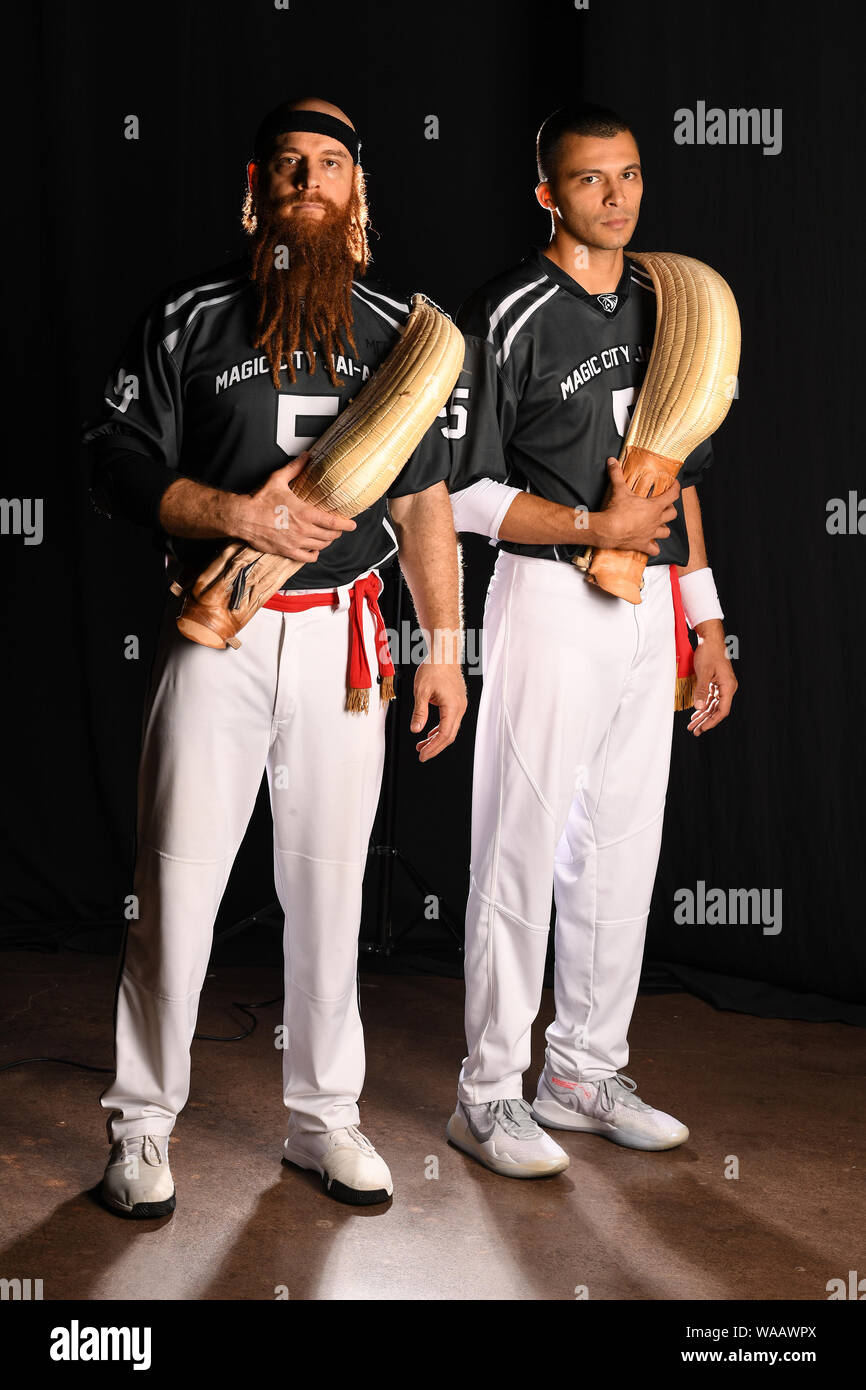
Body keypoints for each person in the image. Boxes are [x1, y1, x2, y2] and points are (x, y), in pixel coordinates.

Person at [81, 96, 467, 1214]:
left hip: (346, 637)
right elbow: (115, 461)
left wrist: (440, 650)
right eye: (289, 165)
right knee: (176, 886)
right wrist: (231, 515)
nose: (309, 179)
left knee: (329, 890)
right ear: (257, 190)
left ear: (357, 195)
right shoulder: (189, 319)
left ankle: (321, 1121)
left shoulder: (404, 331)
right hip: (220, 631)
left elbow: (427, 505)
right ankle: (143, 1124)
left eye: (331, 164)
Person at [443, 103, 738, 1178]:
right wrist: (589, 528)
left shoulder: (666, 305)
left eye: (627, 176)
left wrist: (705, 619)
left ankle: (581, 1069)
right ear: (545, 195)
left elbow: (678, 479)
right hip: (547, 591)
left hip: (649, 606)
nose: (614, 198)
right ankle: (485, 1091)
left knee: (619, 848)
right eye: (587, 181)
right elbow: (462, 492)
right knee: (519, 841)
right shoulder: (507, 312)